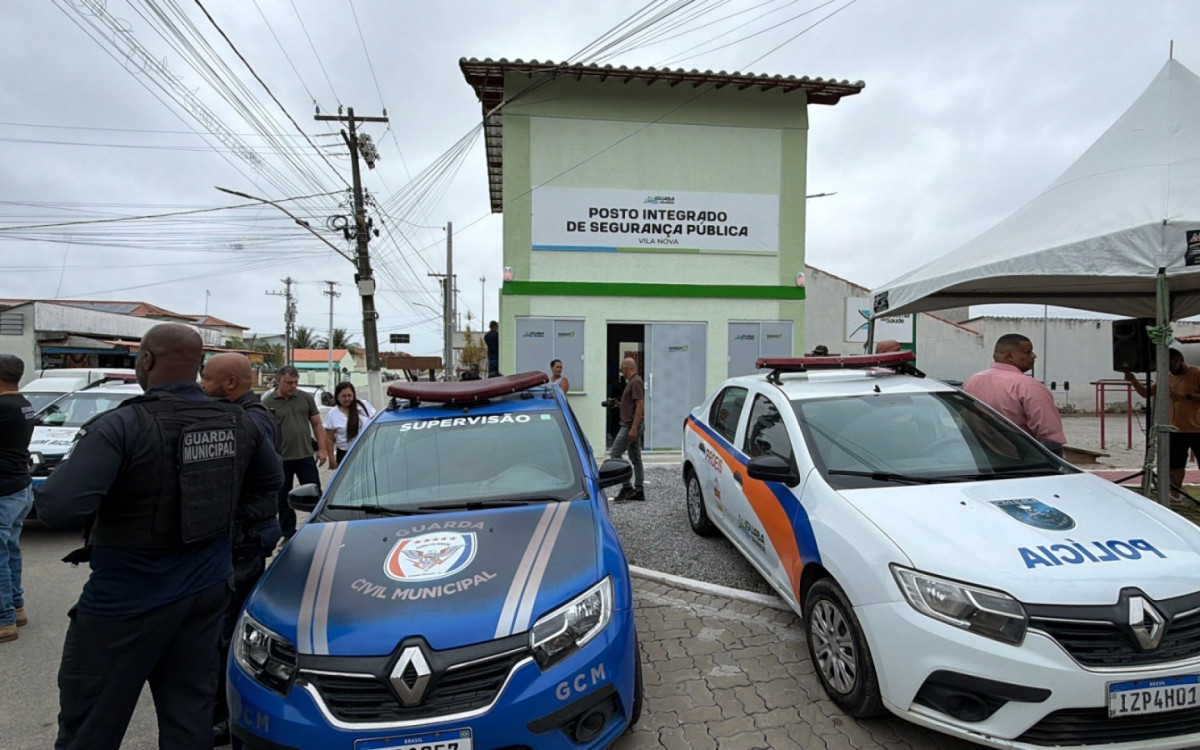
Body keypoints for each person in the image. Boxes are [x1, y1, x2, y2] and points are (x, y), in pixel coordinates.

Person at [33, 323, 283, 750]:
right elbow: (271, 482)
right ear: (197, 365)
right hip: (205, 592)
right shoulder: (239, 422)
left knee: (91, 724)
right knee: (189, 719)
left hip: (127, 599)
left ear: (146, 360)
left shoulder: (121, 425)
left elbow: (58, 507)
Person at [199, 353, 283, 746]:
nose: (201, 384)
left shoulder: (249, 421)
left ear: (230, 383)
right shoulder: (249, 415)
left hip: (243, 538)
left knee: (227, 633)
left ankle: (224, 713)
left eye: (207, 378)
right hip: (245, 534)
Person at [963, 333, 1067, 456]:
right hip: (1019, 463)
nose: (1034, 356)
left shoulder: (972, 381)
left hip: (979, 460)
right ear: (1009, 356)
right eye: (1028, 352)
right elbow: (1050, 439)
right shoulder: (1028, 386)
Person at [262, 365, 328, 542]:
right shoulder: (267, 402)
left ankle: (317, 527)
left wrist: (322, 449)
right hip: (281, 459)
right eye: (289, 383)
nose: (293, 386)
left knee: (314, 494)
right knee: (283, 498)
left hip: (305, 455)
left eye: (295, 382)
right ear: (278, 380)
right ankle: (287, 533)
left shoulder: (305, 398)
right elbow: (263, 431)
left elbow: (316, 424)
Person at [1124, 348, 1200, 497]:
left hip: (1197, 429)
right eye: (1167, 366)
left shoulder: (1197, 373)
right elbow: (1146, 393)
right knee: (1175, 465)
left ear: (1180, 359)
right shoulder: (1167, 377)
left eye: (1172, 365)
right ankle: (1175, 494)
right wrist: (1133, 380)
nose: (1170, 369)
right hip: (1175, 429)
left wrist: (1185, 396)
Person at [0, 354, 36, 644]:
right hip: (19, 487)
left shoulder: (3, 406)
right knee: (10, 549)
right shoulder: (23, 404)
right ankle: (17, 607)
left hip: (3, 490)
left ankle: (4, 620)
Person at [609, 357, 645, 503]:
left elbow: (640, 405)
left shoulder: (635, 382)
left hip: (630, 425)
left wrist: (634, 428)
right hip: (631, 424)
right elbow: (631, 404)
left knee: (615, 453)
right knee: (636, 458)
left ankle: (627, 487)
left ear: (628, 368)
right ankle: (639, 490)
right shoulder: (632, 382)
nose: (621, 372)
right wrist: (618, 404)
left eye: (622, 369)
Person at [323, 381, 376, 468]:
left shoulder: (363, 406)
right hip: (345, 454)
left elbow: (374, 422)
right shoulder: (332, 414)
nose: (347, 398)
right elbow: (329, 439)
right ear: (337, 397)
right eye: (343, 396)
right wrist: (331, 459)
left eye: (349, 395)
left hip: (365, 451)